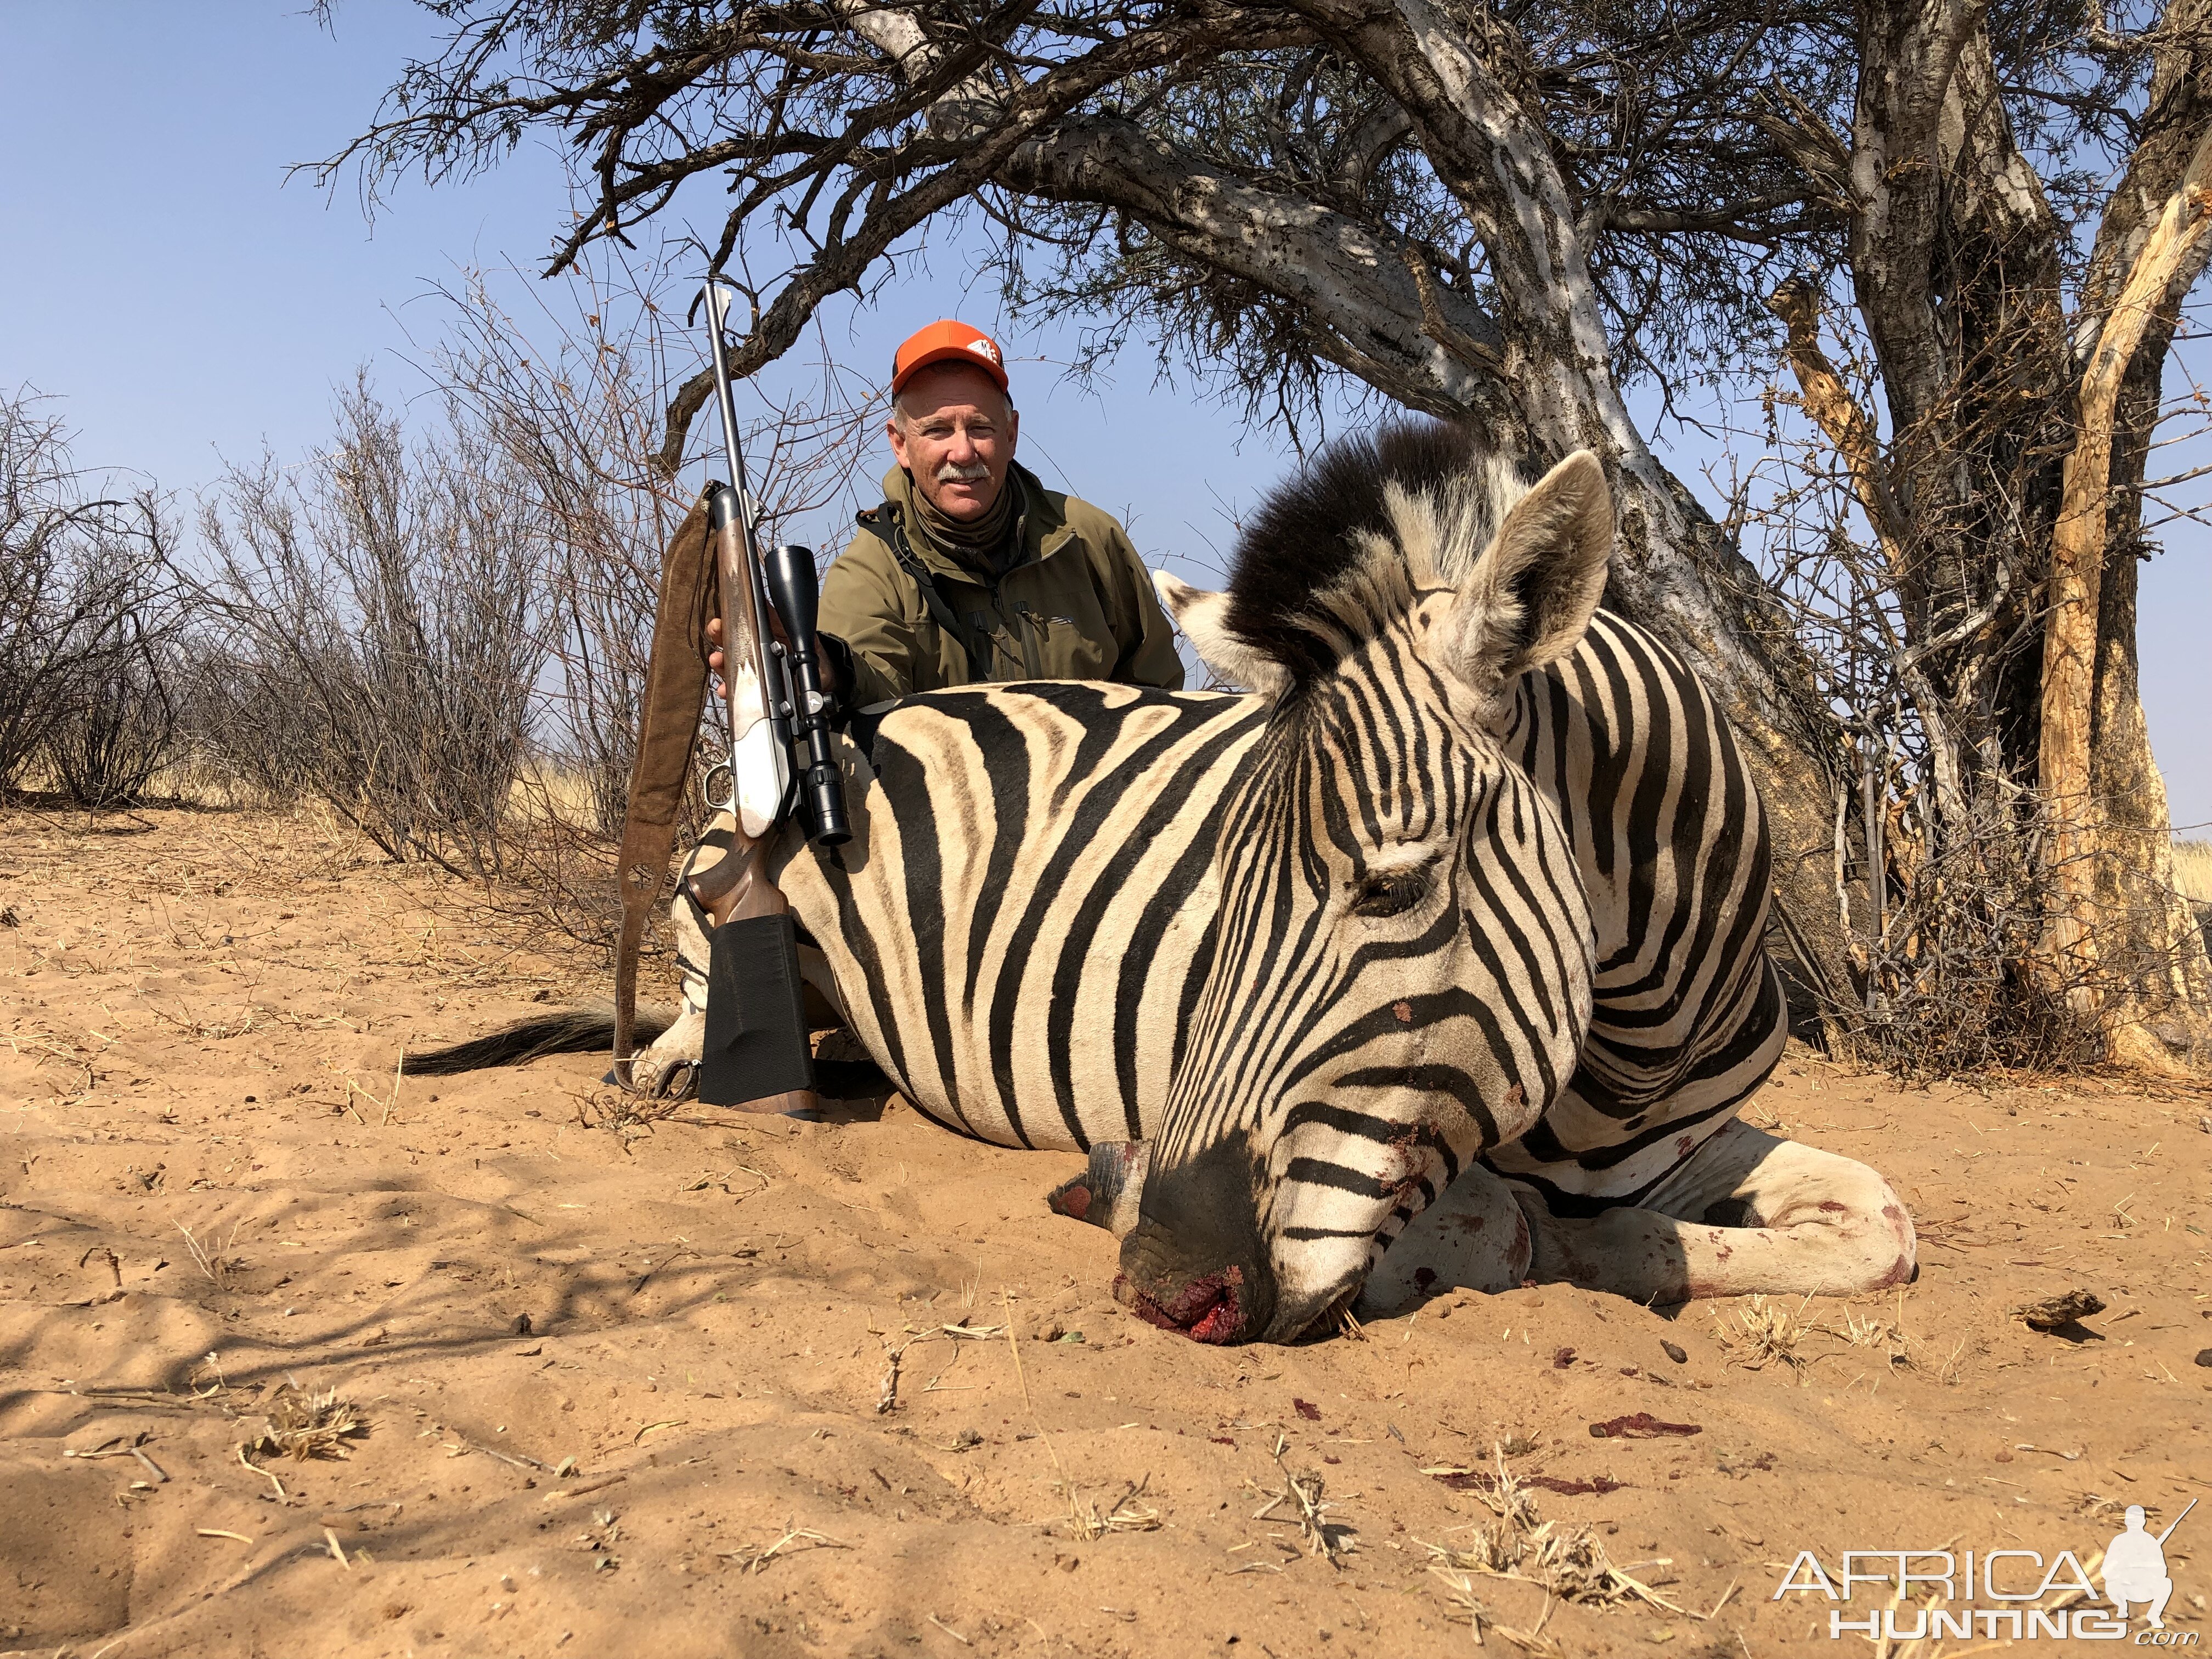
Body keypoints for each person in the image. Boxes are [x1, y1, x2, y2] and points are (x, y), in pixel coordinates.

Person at [709, 319, 1184, 720]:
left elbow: (1162, 694)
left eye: (980, 427)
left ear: (1012, 433)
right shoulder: (872, 570)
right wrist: (824, 667)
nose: (963, 451)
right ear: (900, 444)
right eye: (937, 430)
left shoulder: (1087, 537)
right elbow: (870, 682)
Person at [2103, 1505, 2175, 1627]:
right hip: (2123, 1587)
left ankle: (2154, 1615)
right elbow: (2106, 1570)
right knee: (2112, 1583)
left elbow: (2162, 1570)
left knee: (2166, 1583)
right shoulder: (2119, 1541)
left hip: (2144, 1587)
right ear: (2126, 1522)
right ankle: (2122, 1608)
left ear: (2143, 1522)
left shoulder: (2151, 1541)